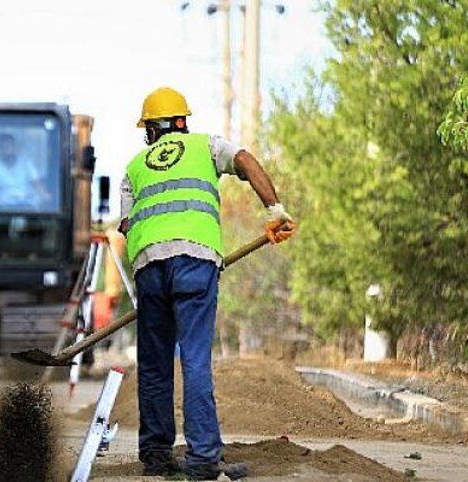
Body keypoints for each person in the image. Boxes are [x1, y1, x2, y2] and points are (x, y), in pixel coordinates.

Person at [117, 87, 296, 480]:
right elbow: (246, 160)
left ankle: (157, 455)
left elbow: (128, 227)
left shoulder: (133, 168)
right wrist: (276, 210)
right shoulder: (206, 145)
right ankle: (201, 459)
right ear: (182, 121)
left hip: (149, 265)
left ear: (151, 130)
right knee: (195, 360)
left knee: (154, 364)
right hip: (195, 261)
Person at [0, 133, 51, 210]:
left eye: (9, 146)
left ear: (14, 147)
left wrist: (47, 199)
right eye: (3, 147)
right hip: (1, 207)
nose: (6, 149)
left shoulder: (26, 163)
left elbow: (37, 185)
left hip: (26, 205)